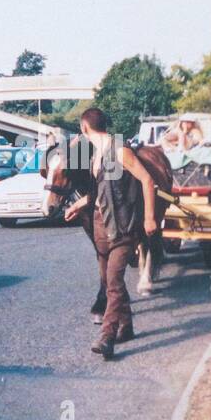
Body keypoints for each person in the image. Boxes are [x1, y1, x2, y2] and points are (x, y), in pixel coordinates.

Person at [68, 106, 157, 360]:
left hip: (123, 227)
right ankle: (126, 326)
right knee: (109, 280)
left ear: (84, 128)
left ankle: (107, 337)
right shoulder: (97, 156)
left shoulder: (120, 150)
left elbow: (147, 180)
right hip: (100, 225)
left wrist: (149, 217)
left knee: (114, 282)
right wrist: (77, 205)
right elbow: (98, 193)